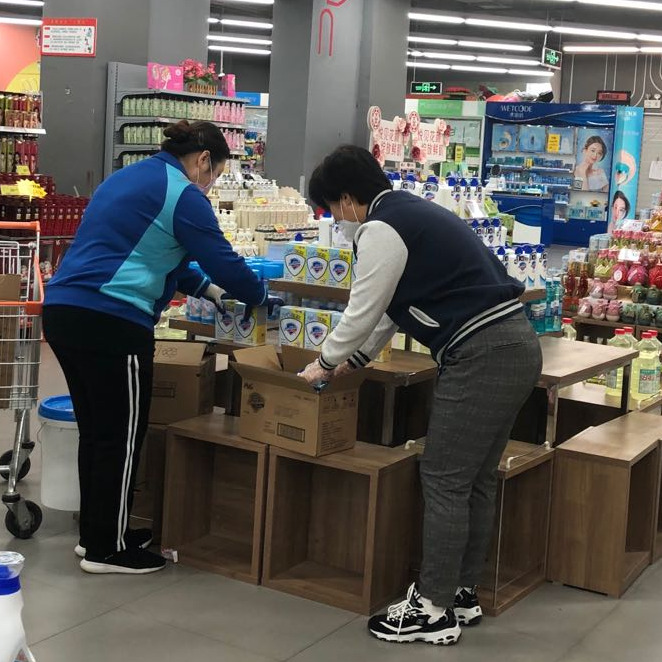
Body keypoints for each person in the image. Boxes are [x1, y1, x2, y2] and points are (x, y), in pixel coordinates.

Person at [300, 145, 542, 646]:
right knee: (475, 478)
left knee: (444, 477)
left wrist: (324, 361)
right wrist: (354, 361)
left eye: (332, 211)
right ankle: (461, 591)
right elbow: (390, 310)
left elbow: (363, 307)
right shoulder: (411, 212)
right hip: (516, 344)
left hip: (481, 352)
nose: (336, 221)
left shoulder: (380, 228)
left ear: (346, 200)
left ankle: (432, 608)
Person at [43, 120, 268, 575]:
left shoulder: (129, 178)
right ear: (203, 160)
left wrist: (209, 292)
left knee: (99, 432)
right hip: (112, 319)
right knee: (122, 437)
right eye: (215, 173)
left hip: (66, 311)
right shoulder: (184, 194)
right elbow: (223, 258)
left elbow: (160, 254)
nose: (212, 183)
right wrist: (259, 295)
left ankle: (98, 535)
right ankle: (109, 550)